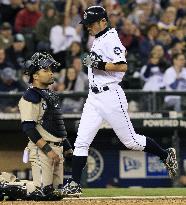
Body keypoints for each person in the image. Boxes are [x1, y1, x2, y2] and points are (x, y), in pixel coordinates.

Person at [60, 6, 178, 197]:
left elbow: (123, 66)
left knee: (130, 141)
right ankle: (74, 183)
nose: (88, 27)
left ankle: (165, 154)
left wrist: (97, 64)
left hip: (111, 96)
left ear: (103, 22)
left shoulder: (111, 38)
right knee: (81, 141)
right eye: (87, 24)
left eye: (91, 23)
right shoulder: (98, 39)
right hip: (93, 97)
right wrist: (93, 63)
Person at [17, 52, 73, 200]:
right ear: (35, 76)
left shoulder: (50, 95)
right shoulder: (30, 96)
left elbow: (56, 124)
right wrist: (48, 151)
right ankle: (5, 184)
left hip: (57, 149)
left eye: (51, 70)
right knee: (42, 192)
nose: (51, 73)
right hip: (42, 149)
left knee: (55, 194)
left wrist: (67, 148)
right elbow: (29, 128)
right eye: (46, 70)